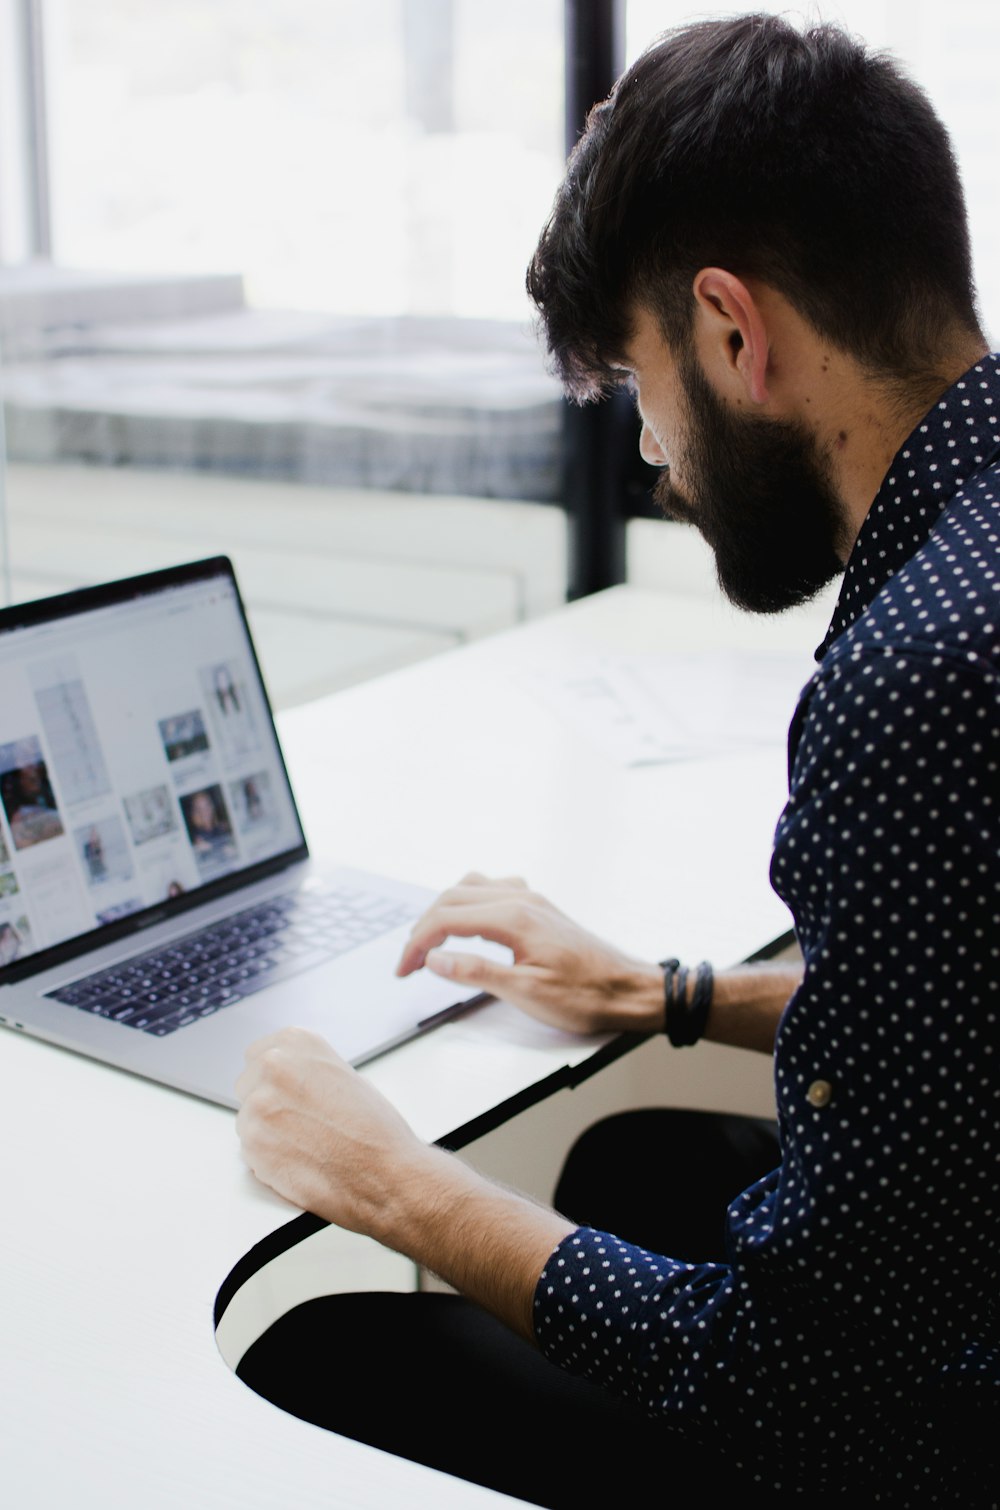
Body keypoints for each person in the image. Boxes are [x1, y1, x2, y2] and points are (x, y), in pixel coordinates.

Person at [234, 15, 998, 1505]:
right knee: (634, 1163)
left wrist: (393, 1182)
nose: (656, 458)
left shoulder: (920, 682)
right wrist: (667, 994)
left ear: (733, 330)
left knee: (321, 1343)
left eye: (642, 385)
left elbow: (803, 1389)